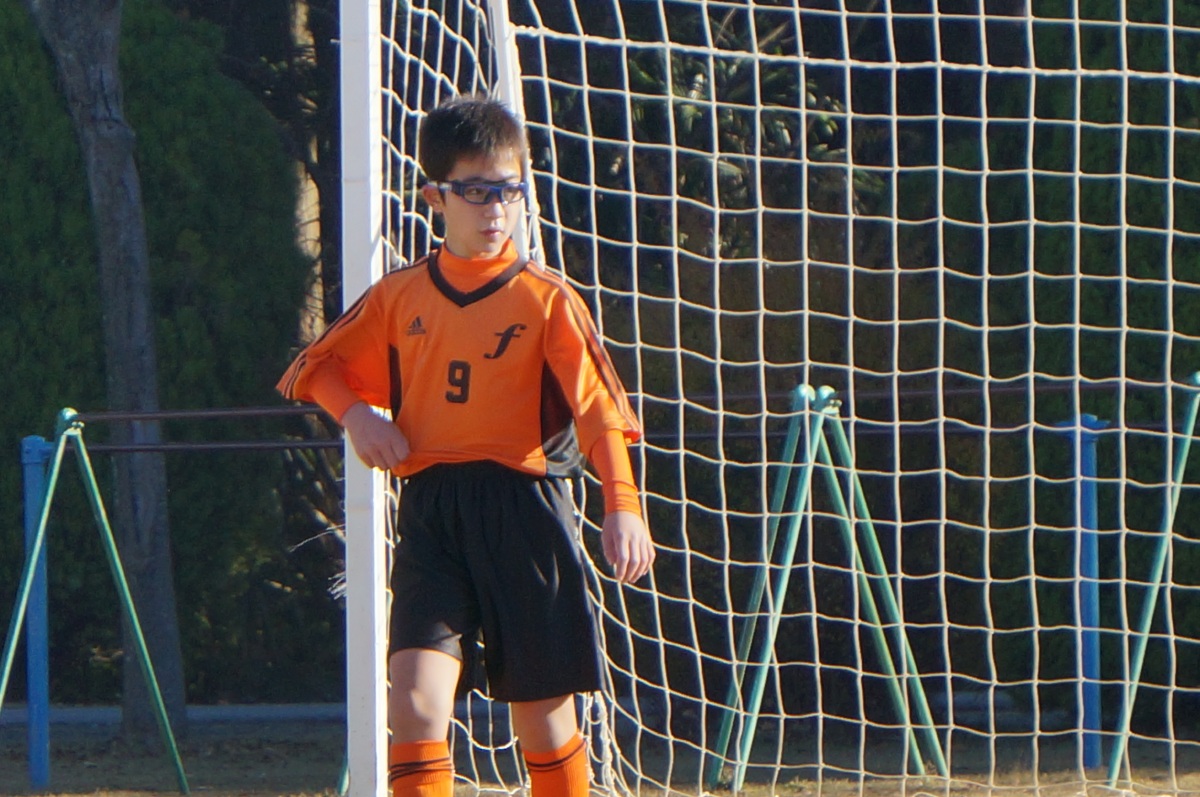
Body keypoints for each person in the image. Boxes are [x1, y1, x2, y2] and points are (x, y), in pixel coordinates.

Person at [277, 95, 654, 797]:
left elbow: (599, 409)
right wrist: (359, 418)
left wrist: (622, 504)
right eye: (476, 191)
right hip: (434, 513)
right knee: (416, 703)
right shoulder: (398, 297)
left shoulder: (547, 299)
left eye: (508, 190)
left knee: (542, 719)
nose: (495, 208)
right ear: (435, 196)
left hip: (525, 511)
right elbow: (316, 368)